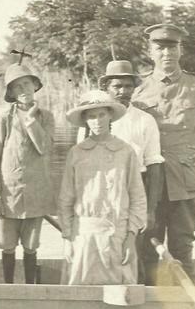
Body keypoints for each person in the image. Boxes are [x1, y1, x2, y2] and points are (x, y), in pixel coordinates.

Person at [132, 23, 195, 282]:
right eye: (160, 47)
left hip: (185, 180)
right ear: (150, 51)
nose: (166, 53)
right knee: (146, 249)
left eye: (172, 47)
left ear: (180, 50)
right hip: (147, 182)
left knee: (182, 248)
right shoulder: (138, 90)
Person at [77, 60, 165, 285]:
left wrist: (150, 210)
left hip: (135, 190)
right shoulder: (92, 119)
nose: (123, 91)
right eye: (117, 86)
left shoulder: (145, 120)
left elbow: (154, 166)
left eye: (128, 86)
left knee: (131, 254)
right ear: (107, 87)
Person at [59, 90, 146, 285]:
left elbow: (138, 198)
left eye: (101, 115)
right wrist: (67, 238)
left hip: (117, 233)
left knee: (120, 292)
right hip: (83, 234)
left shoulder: (126, 152)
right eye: (91, 116)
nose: (97, 121)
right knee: (79, 289)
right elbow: (66, 199)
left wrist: (131, 238)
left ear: (110, 117)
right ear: (85, 121)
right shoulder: (76, 153)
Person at [0, 63, 56, 284]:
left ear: (35, 85)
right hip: (9, 195)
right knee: (7, 245)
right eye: (17, 87)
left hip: (36, 194)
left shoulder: (46, 117)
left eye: (26, 83)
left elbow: (44, 147)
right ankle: (8, 290)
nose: (23, 89)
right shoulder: (4, 118)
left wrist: (31, 119)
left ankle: (30, 292)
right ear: (11, 93)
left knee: (31, 246)